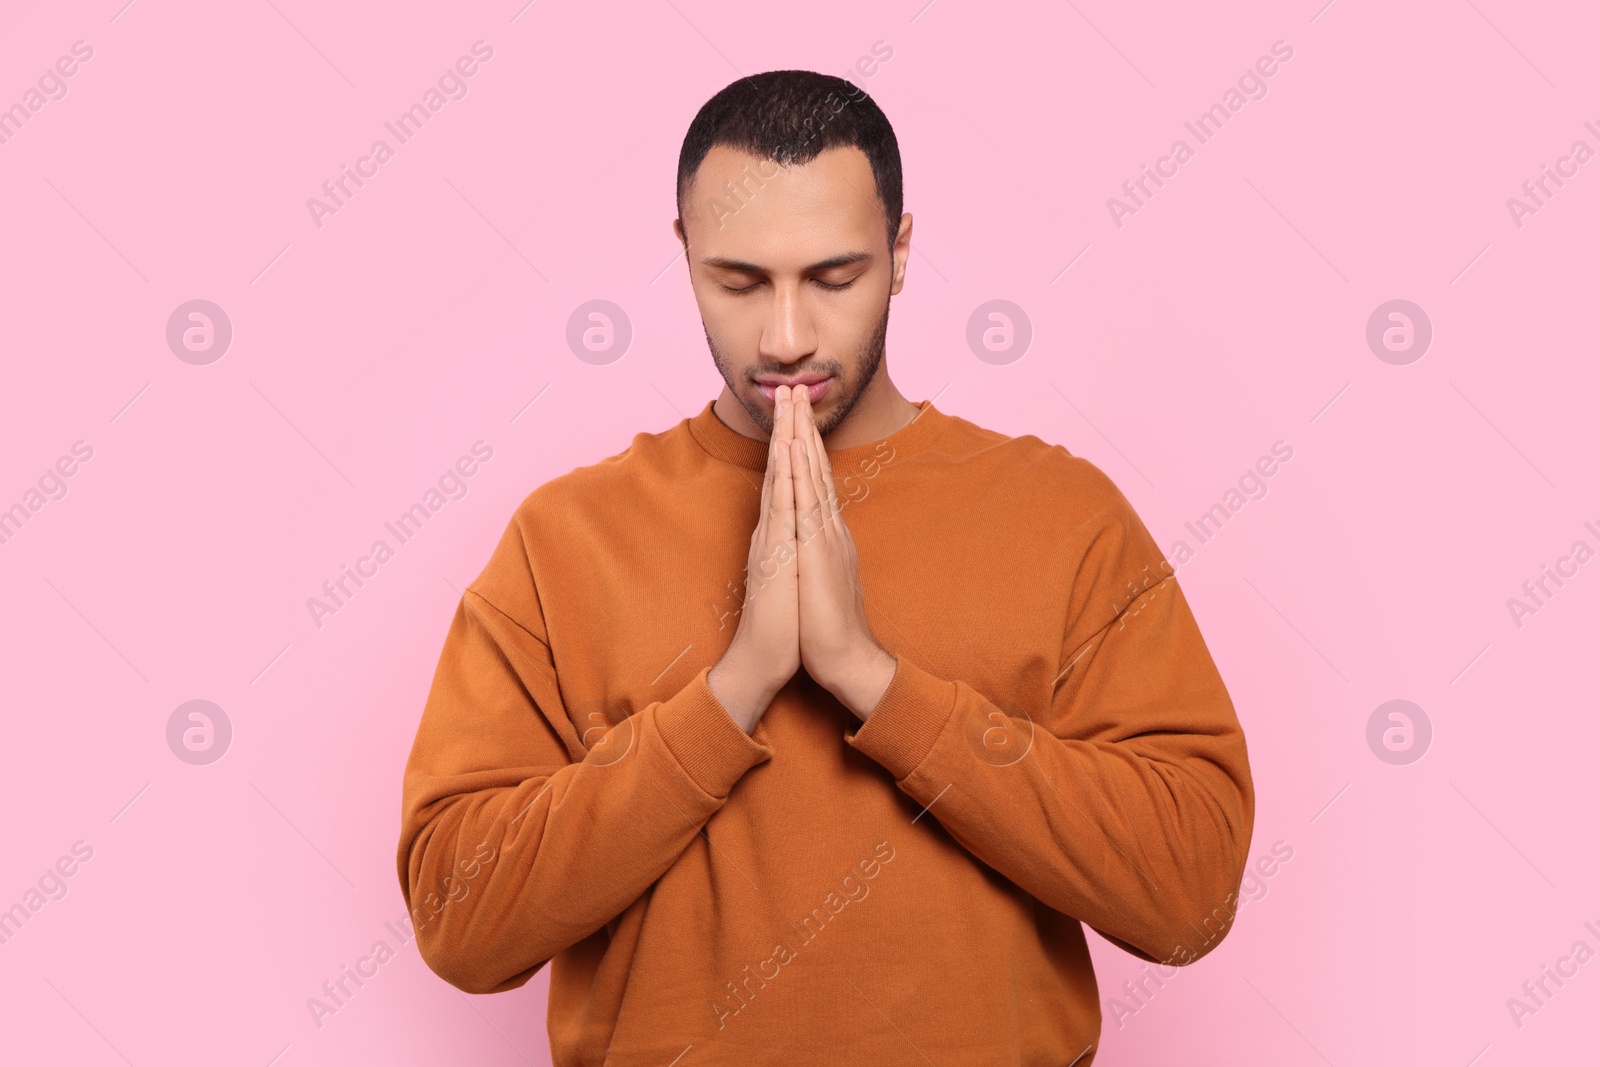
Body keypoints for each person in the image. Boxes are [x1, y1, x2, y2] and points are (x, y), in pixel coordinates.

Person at [396, 68, 1254, 1066]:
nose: (788, 337)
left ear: (898, 254)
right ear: (684, 256)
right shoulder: (564, 537)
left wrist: (870, 677)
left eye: (834, 278)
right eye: (740, 281)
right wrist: (735, 687)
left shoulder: (1064, 517)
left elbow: (1189, 894)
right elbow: (461, 923)